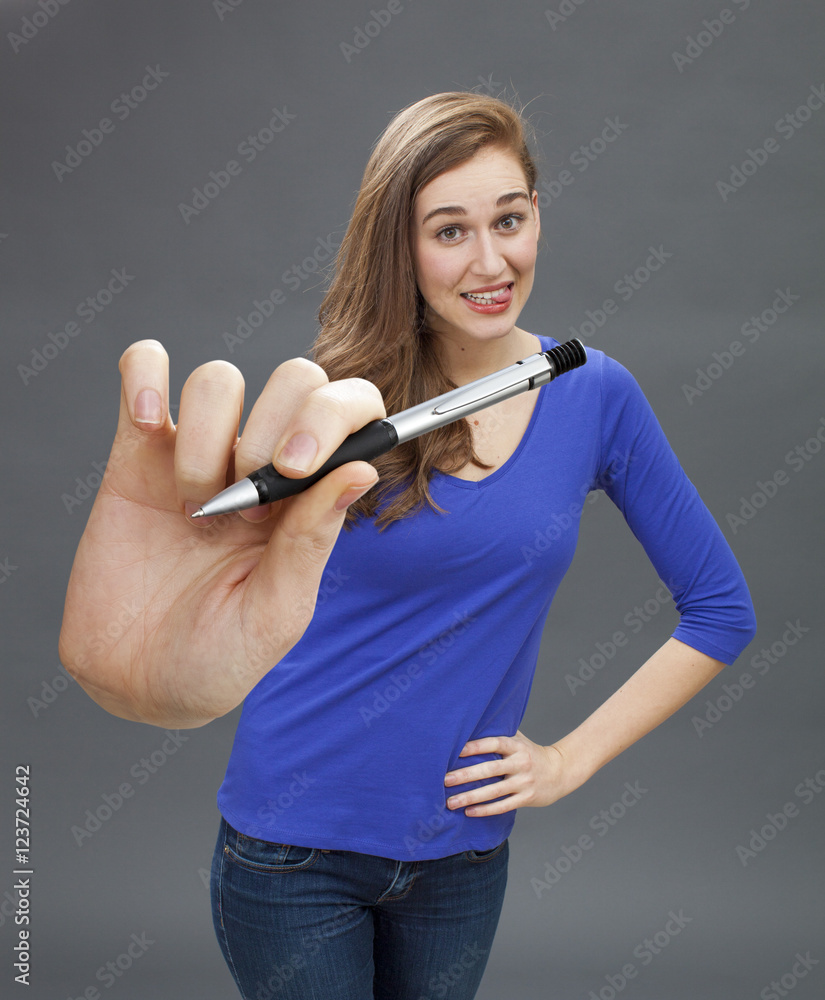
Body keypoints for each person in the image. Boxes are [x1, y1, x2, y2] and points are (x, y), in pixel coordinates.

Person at [60, 92, 757, 999]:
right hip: (291, 847)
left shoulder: (596, 393)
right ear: (399, 245)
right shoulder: (332, 409)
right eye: (448, 231)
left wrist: (567, 761)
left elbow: (720, 610)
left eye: (509, 219)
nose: (491, 260)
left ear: (537, 212)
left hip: (459, 861)